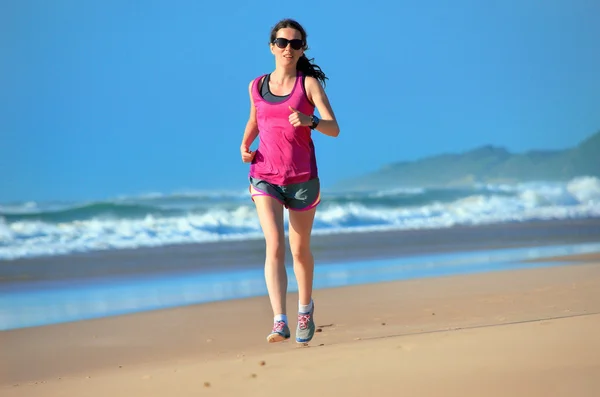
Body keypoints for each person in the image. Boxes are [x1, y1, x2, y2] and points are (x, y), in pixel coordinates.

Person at [240, 18, 340, 344]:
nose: (288, 49)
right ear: (272, 46)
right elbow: (256, 119)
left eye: (295, 44)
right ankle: (279, 320)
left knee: (299, 251)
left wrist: (310, 120)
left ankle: (305, 309)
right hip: (264, 174)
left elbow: (333, 127)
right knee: (275, 244)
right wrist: (245, 145)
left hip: (301, 178)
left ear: (302, 49)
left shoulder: (308, 85)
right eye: (282, 43)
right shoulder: (256, 85)